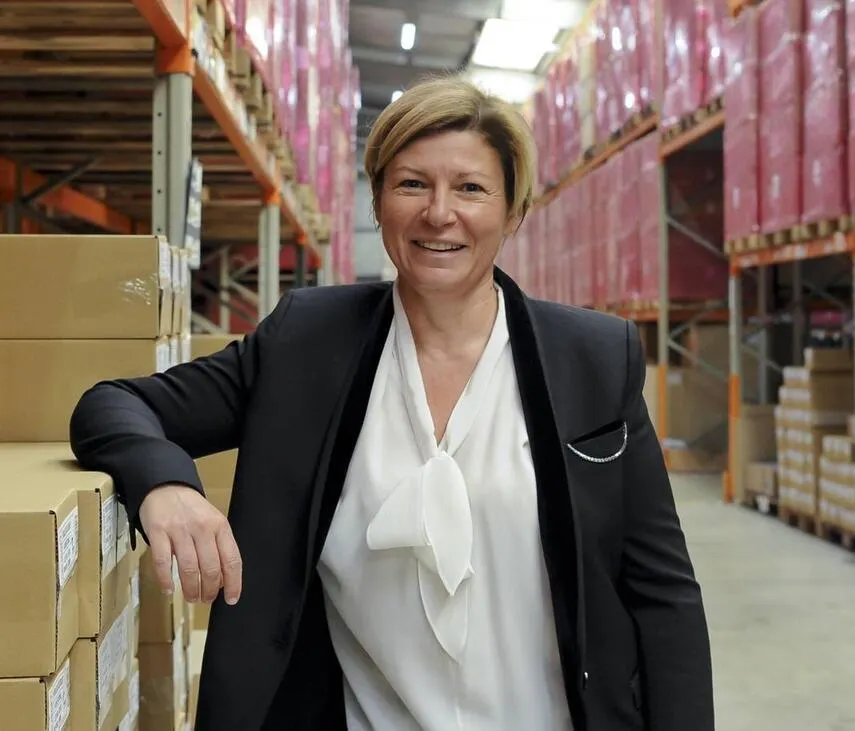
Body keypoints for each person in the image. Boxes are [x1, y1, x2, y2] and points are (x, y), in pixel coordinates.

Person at [70, 75, 714, 731]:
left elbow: (661, 589)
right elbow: (111, 406)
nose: (439, 213)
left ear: (513, 212)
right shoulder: (306, 345)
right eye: (412, 184)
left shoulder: (592, 359)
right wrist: (166, 485)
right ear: (378, 203)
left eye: (471, 188)